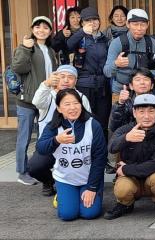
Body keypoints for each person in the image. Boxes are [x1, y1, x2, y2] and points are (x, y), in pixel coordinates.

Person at [36, 89, 106, 221]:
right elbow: (40, 148)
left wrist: (92, 188)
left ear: (81, 105)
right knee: (67, 215)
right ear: (59, 108)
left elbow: (100, 158)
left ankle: (89, 193)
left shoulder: (93, 124)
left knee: (89, 213)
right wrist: (56, 140)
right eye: (67, 104)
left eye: (76, 103)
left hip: (88, 179)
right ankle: (62, 194)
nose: (73, 108)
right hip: (65, 179)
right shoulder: (53, 126)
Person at [29, 65, 92, 196]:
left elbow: (89, 122)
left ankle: (75, 184)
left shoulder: (81, 98)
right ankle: (49, 181)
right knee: (34, 167)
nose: (66, 80)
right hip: (51, 143)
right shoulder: (48, 95)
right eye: (62, 76)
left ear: (76, 81)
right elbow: (36, 102)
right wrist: (46, 84)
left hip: (75, 145)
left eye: (70, 77)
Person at [12, 15, 58, 185]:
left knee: (43, 137)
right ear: (32, 29)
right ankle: (22, 171)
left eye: (45, 27)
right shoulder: (26, 47)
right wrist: (25, 48)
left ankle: (37, 167)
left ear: (50, 31)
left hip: (45, 100)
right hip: (27, 101)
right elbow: (18, 67)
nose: (41, 30)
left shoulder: (50, 50)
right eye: (37, 27)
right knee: (24, 138)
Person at [105, 93, 155, 220]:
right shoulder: (125, 129)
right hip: (130, 178)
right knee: (123, 189)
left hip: (148, 176)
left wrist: (126, 169)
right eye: (141, 111)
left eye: (151, 111)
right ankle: (126, 204)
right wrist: (126, 138)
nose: (146, 116)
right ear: (134, 113)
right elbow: (111, 147)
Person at [67, 7, 111, 134]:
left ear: (99, 21)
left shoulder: (105, 39)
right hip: (84, 85)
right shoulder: (79, 38)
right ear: (82, 23)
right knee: (84, 119)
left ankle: (101, 146)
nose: (92, 22)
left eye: (95, 19)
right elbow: (68, 45)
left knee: (102, 121)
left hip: (102, 85)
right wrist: (82, 32)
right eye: (88, 20)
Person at [103, 8, 155, 99]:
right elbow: (107, 72)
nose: (139, 28)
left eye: (142, 24)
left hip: (145, 91)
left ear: (147, 24)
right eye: (135, 24)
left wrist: (143, 76)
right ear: (128, 24)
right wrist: (116, 64)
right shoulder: (117, 43)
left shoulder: (151, 42)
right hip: (121, 91)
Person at [109, 69, 155, 138]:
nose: (142, 82)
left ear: (152, 85)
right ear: (131, 86)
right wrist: (120, 104)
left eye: (146, 79)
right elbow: (114, 127)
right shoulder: (126, 103)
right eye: (138, 79)